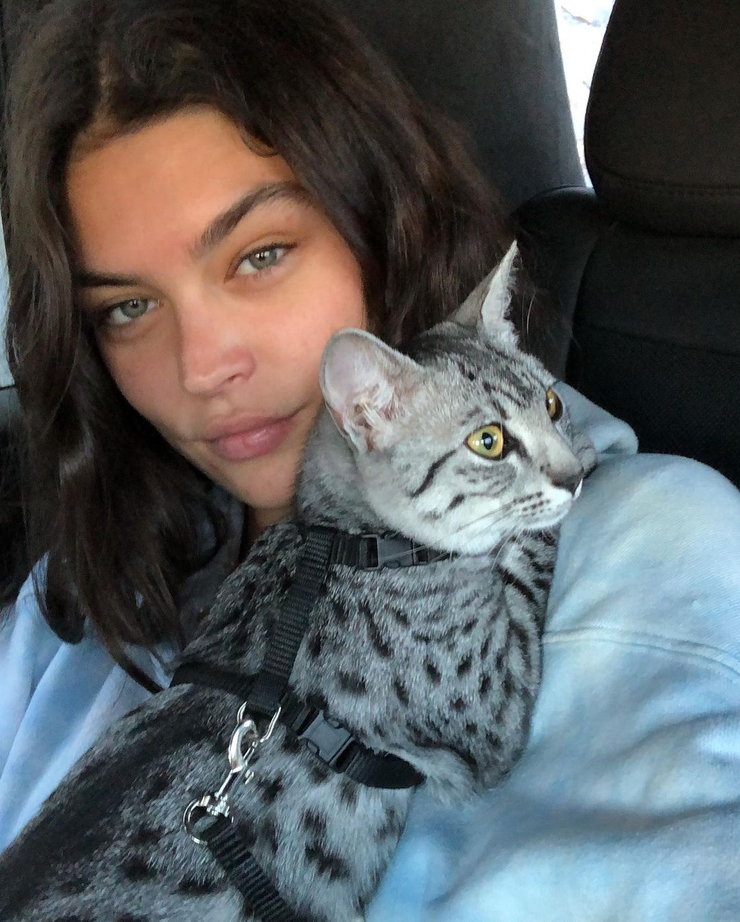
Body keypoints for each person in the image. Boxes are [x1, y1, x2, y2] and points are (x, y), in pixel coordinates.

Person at [1, 0, 739, 919]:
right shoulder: (71, 603)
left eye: (260, 255)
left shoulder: (667, 554)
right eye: (127, 308)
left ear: (383, 222)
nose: (202, 367)